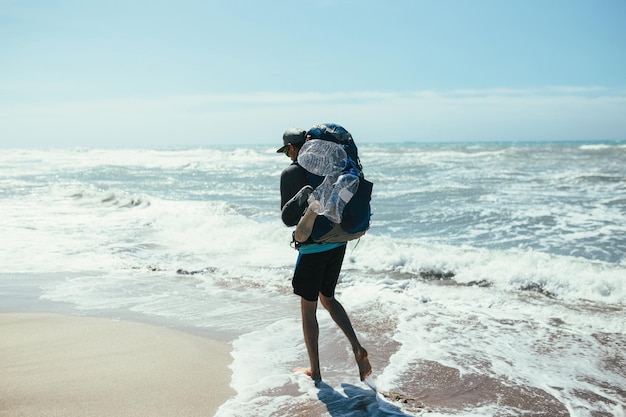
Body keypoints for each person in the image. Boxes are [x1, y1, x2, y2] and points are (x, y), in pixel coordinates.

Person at [277, 127, 372, 384]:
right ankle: (356, 347)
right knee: (328, 298)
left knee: (308, 310)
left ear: (294, 148)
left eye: (287, 150)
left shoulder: (292, 173)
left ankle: (315, 372)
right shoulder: (334, 167)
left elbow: (287, 220)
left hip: (313, 247)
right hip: (337, 242)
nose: (287, 155)